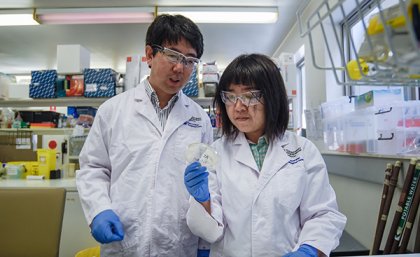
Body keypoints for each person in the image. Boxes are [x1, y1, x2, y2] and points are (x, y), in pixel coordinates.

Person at [76, 14, 213, 257]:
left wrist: (204, 246)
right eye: (173, 54)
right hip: (125, 241)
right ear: (150, 54)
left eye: (190, 60)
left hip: (179, 245)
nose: (180, 67)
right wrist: (99, 210)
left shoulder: (199, 119)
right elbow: (93, 168)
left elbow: (209, 182)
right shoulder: (113, 110)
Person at [184, 54, 347, 257]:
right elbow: (210, 232)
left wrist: (309, 250)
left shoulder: (303, 150)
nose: (238, 106)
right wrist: (203, 201)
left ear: (273, 97)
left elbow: (323, 214)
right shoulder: (215, 153)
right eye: (231, 96)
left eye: (250, 95)